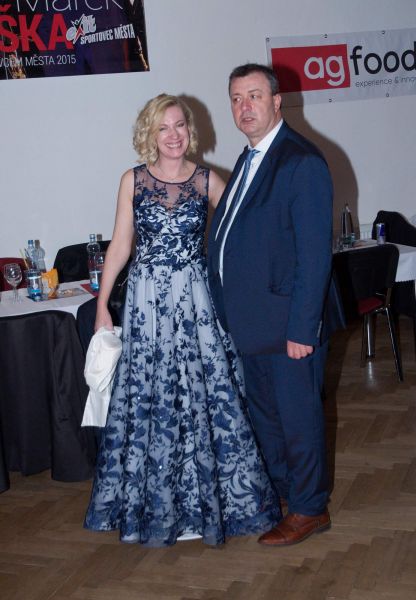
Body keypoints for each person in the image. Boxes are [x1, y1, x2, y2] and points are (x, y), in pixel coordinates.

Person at [84, 93, 281, 547]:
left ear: (190, 130)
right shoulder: (133, 180)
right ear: (150, 133)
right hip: (147, 304)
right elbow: (121, 245)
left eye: (179, 126)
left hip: (196, 303)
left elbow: (243, 230)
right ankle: (158, 508)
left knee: (203, 396)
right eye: (163, 127)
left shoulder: (207, 180)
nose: (173, 135)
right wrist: (101, 305)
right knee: (150, 397)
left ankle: (207, 505)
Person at [208, 63, 340, 546]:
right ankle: (287, 496)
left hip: (289, 326)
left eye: (255, 96)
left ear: (277, 101)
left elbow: (314, 256)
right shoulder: (249, 159)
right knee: (268, 418)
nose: (245, 107)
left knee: (298, 420)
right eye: (236, 98)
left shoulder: (300, 161)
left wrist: (303, 329)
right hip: (253, 323)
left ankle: (310, 509)